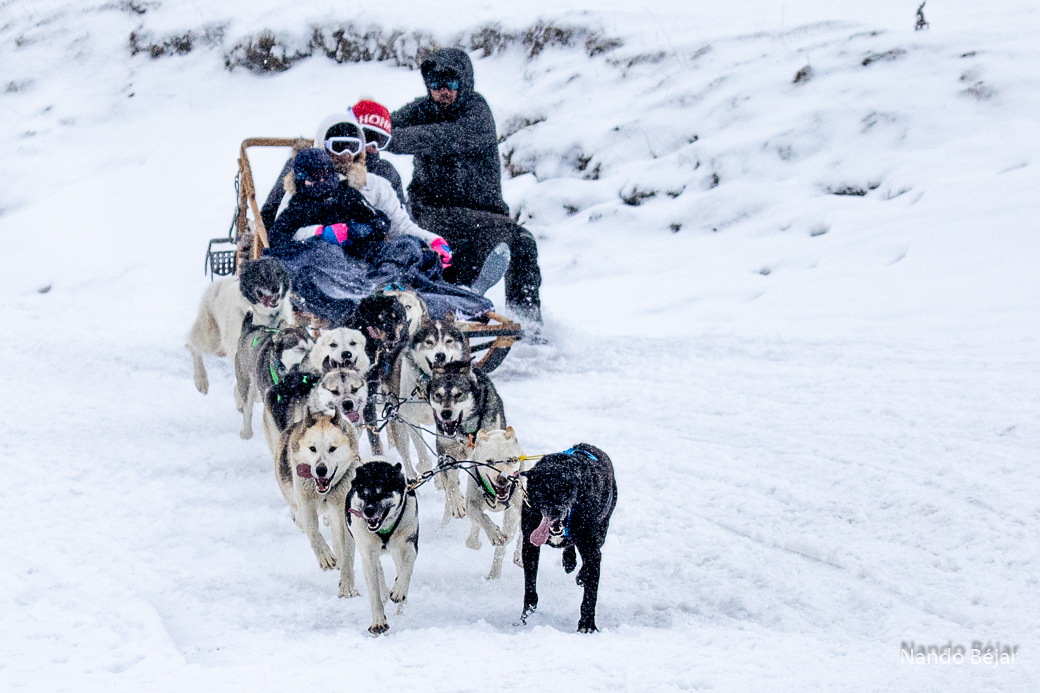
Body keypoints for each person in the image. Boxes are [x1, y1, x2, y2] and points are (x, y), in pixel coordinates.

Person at [388, 48, 543, 324]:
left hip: (483, 213)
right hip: (431, 211)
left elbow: (440, 138)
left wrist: (387, 139)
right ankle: (463, 298)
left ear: (464, 82)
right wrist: (355, 132)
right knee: (497, 235)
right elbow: (386, 125)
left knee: (522, 242)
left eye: (451, 83)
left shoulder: (477, 113)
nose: (443, 92)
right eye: (435, 84)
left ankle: (527, 322)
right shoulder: (422, 109)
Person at [261, 111, 451, 269]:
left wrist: (432, 241)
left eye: (353, 147)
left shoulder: (373, 186)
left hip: (368, 261)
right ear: (322, 146)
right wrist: (322, 232)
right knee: (326, 253)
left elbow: (399, 227)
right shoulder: (304, 186)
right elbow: (282, 236)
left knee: (407, 247)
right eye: (338, 147)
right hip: (322, 263)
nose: (346, 155)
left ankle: (391, 282)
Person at [352, 99, 407, 206]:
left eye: (380, 141)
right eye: (368, 137)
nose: (372, 147)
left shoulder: (387, 172)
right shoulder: (335, 166)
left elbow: (402, 212)